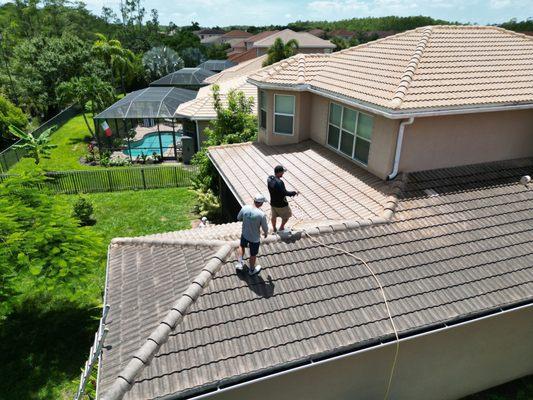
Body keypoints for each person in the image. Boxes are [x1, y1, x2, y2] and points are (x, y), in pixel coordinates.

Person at [235, 193, 269, 275]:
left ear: (254, 200)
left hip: (245, 234)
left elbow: (238, 218)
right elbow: (265, 228)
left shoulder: (245, 208)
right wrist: (266, 233)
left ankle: (240, 264)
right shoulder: (261, 214)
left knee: (242, 246)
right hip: (255, 238)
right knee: (253, 254)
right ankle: (252, 270)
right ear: (261, 203)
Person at [267, 165, 298, 232]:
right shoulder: (280, 182)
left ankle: (274, 228)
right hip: (282, 204)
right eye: (282, 172)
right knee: (287, 216)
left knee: (273, 216)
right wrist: (294, 193)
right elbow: (285, 193)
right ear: (279, 172)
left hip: (273, 203)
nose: (283, 173)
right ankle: (281, 227)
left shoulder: (269, 179)